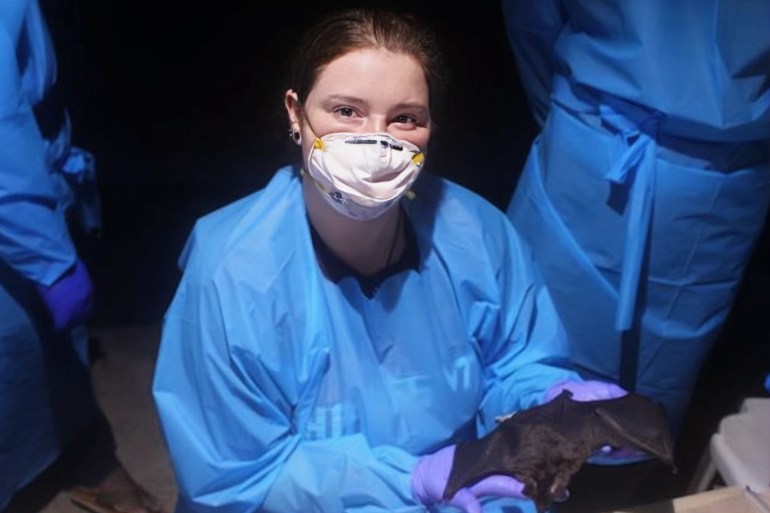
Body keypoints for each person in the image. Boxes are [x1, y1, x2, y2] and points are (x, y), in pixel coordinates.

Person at [151, 7, 633, 513]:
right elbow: (238, 476)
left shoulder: (475, 235)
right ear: (295, 113)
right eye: (346, 111)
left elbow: (512, 364)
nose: (376, 143)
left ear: (431, 127)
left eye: (405, 118)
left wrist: (552, 404)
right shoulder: (234, 273)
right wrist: (413, 479)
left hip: (461, 493)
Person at [500, 0, 770, 510]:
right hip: (713, 183)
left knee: (561, 375)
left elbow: (534, 20)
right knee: (530, 361)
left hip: (594, 146)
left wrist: (573, 116)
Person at [0, 1, 165, 512]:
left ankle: (82, 455)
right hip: (15, 199)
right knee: (19, 346)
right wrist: (50, 261)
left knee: (53, 355)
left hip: (41, 153)